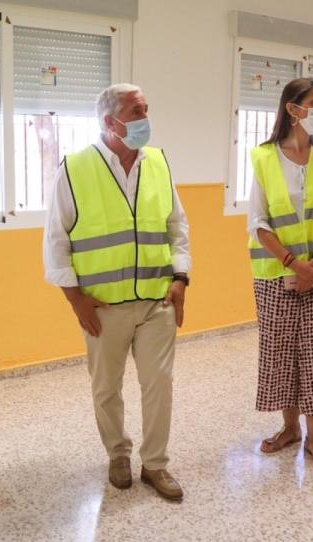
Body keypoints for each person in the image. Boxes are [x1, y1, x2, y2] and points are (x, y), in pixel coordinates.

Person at [43, 83, 192, 501]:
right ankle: (118, 452)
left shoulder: (159, 163)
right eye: (137, 111)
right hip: (102, 303)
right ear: (111, 122)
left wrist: (180, 279)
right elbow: (56, 238)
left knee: (158, 382)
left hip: (156, 298)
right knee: (107, 386)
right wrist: (74, 299)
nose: (146, 118)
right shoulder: (74, 167)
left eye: (146, 109)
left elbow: (177, 227)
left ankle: (156, 465)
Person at [247, 77, 313, 472]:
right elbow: (258, 221)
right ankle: (289, 429)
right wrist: (294, 264)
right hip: (276, 274)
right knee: (282, 354)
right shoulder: (263, 157)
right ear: (293, 109)